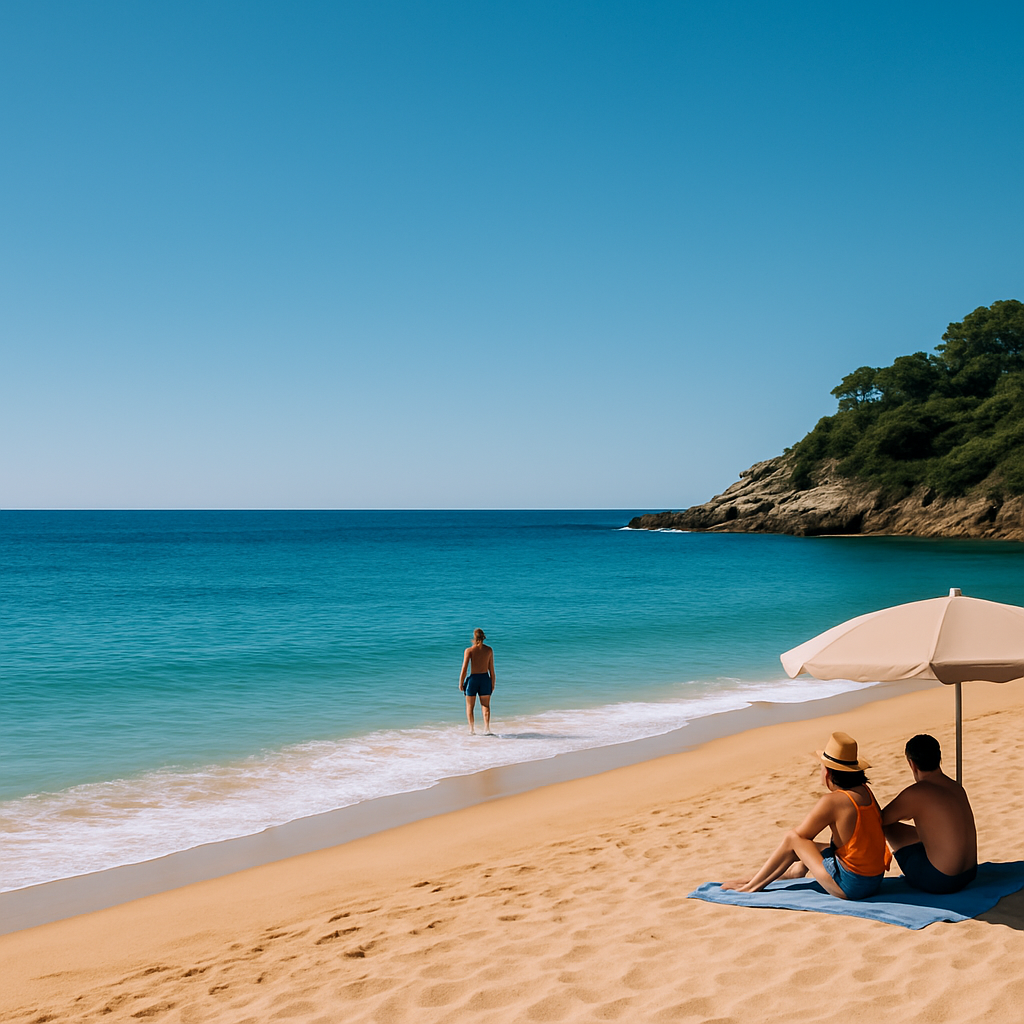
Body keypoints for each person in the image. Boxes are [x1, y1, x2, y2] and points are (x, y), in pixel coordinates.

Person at [722, 732, 890, 900]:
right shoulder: (866, 791)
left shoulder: (833, 801)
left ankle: (751, 887)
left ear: (828, 774)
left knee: (793, 838)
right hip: (874, 879)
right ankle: (794, 872)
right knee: (811, 846)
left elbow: (799, 838)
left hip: (852, 886)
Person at [881, 734, 977, 894]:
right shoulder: (956, 787)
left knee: (888, 827)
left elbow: (882, 819)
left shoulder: (916, 793)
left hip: (942, 880)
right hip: (970, 873)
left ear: (912, 764)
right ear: (939, 758)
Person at [459, 628, 495, 735]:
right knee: (486, 706)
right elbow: (491, 669)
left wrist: (461, 683)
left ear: (474, 637)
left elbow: (464, 669)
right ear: (483, 637)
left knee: (470, 707)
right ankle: (487, 729)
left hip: (473, 680)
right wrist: (492, 683)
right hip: (485, 679)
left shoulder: (469, 650)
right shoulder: (489, 650)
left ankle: (471, 730)